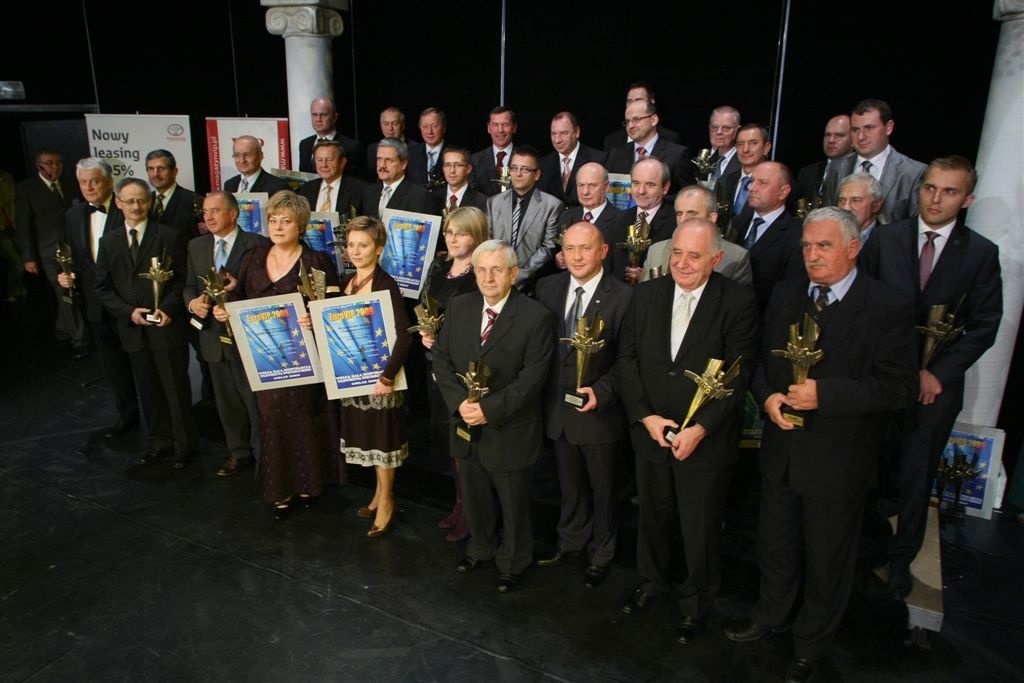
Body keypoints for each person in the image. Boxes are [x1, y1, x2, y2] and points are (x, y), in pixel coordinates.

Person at [725, 207, 918, 683]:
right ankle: (770, 614)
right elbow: (761, 361)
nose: (812, 255)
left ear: (854, 248)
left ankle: (810, 643)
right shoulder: (788, 293)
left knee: (828, 558)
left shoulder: (887, 305)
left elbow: (898, 387)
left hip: (838, 459)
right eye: (807, 246)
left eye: (824, 246)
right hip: (782, 448)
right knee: (775, 542)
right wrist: (767, 397)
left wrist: (825, 396)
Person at [859, 155, 1002, 599]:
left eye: (949, 191)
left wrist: (938, 373)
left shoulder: (980, 253)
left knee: (917, 476)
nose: (936, 199)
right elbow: (863, 304)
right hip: (883, 381)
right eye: (930, 188)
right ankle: (864, 545)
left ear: (967, 199)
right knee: (868, 466)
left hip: (934, 391)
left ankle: (901, 559)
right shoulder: (886, 238)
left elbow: (985, 326)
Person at [617, 217, 758, 644]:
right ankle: (652, 581)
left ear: (716, 258)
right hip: (652, 433)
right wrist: (645, 417)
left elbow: (738, 376)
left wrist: (701, 428)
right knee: (653, 516)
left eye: (694, 256)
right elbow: (627, 360)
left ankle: (695, 604)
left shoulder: (738, 302)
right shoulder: (647, 294)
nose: (681, 262)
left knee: (700, 527)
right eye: (676, 252)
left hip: (704, 442)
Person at [432, 240, 555, 593]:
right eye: (481, 270)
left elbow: (532, 379)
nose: (487, 278)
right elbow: (441, 358)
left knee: (513, 502)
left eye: (496, 270)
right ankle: (480, 547)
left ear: (513, 274)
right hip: (465, 423)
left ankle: (514, 561)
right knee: (475, 496)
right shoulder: (459, 306)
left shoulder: (535, 317)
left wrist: (487, 409)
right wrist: (460, 404)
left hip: (509, 427)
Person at [213, 191, 339, 519]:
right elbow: (238, 296)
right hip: (263, 358)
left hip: (303, 359)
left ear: (301, 225)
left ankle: (308, 484)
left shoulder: (316, 261)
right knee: (270, 418)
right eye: (273, 220)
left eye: (286, 221)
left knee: (302, 416)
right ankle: (279, 488)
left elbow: (333, 307)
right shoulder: (253, 256)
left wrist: (315, 317)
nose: (278, 227)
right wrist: (225, 310)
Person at [533, 221, 632, 589]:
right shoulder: (547, 287)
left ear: (603, 251)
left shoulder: (624, 296)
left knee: (604, 489)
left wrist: (602, 392)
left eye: (585, 248)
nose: (576, 256)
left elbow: (629, 359)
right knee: (569, 484)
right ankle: (571, 542)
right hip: (558, 409)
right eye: (569, 248)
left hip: (599, 413)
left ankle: (602, 553)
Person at [93, 178, 198, 467]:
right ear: (118, 203)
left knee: (175, 390)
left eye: (141, 200)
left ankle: (184, 445)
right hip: (133, 330)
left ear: (150, 202)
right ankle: (159, 442)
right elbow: (102, 287)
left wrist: (168, 308)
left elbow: (183, 280)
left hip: (167, 328)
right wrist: (128, 312)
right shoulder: (109, 241)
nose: (136, 206)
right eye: (130, 201)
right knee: (149, 391)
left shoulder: (169, 236)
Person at [338, 216, 413, 538]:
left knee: (383, 443)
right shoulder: (347, 281)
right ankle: (378, 494)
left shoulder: (386, 284)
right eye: (351, 244)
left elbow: (404, 335)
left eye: (363, 245)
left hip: (380, 378)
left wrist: (386, 377)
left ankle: (387, 502)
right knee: (369, 439)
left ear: (378, 249)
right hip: (355, 376)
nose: (355, 251)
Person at [184, 191, 268, 476]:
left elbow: (264, 292)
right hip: (211, 336)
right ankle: (238, 452)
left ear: (233, 213)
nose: (208, 217)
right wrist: (192, 303)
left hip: (246, 337)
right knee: (226, 400)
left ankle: (264, 455)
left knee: (253, 400)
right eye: (205, 212)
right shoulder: (196, 245)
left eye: (215, 211)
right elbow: (188, 287)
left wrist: (236, 299)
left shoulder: (257, 244)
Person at [416, 206, 488, 542]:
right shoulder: (439, 268)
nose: (453, 238)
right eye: (449, 232)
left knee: (467, 445)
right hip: (437, 366)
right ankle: (460, 504)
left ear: (477, 235)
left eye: (461, 233)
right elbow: (426, 307)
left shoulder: (480, 274)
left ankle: (473, 513)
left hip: (464, 370)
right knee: (450, 444)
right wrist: (425, 333)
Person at [58, 158, 139, 437]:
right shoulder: (73, 215)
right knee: (113, 365)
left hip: (129, 304)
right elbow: (75, 258)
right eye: (83, 182)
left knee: (142, 365)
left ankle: (159, 420)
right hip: (95, 305)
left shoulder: (126, 209)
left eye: (94, 181)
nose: (89, 187)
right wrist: (67, 276)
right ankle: (127, 414)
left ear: (108, 182)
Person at [15, 149, 85, 354]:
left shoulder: (71, 185)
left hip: (76, 247)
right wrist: (28, 257)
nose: (55, 167)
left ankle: (62, 330)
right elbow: (23, 225)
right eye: (50, 163)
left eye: (58, 162)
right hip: (49, 252)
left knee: (73, 290)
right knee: (64, 292)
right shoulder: (27, 188)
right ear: (39, 166)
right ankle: (80, 338)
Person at [824, 98, 926, 223]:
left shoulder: (913, 173)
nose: (861, 136)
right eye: (855, 129)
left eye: (869, 128)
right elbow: (829, 217)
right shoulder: (836, 168)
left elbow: (915, 225)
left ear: (888, 127)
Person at [485, 145, 564, 291]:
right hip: (495, 279)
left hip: (531, 285)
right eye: (514, 168)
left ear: (537, 174)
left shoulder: (552, 205)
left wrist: (517, 276)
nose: (518, 174)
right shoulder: (493, 202)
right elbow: (488, 241)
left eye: (525, 169)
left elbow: (548, 248)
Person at [641, 185, 752, 286]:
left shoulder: (736, 258)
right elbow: (644, 296)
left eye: (692, 213)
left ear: (712, 218)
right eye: (679, 213)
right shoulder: (655, 251)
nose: (683, 220)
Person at [737, 161, 805, 312]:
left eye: (762, 183)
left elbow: (790, 291)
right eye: (752, 181)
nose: (751, 187)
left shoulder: (797, 235)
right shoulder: (737, 222)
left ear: (783, 192)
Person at [607, 158, 676, 284]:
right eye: (636, 183)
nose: (641, 191)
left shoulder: (676, 222)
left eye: (650, 185)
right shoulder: (619, 218)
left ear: (665, 187)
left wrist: (646, 276)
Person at [606, 100, 694, 193]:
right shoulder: (616, 154)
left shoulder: (676, 155)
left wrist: (656, 198)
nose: (630, 126)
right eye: (627, 121)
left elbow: (689, 194)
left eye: (636, 119)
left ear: (653, 120)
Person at [553, 162, 623, 270]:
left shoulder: (621, 220)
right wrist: (558, 260)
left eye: (592, 185)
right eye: (581, 185)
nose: (585, 192)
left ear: (606, 187)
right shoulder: (566, 217)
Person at [538, 111, 607, 207]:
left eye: (564, 133)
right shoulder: (543, 164)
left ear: (577, 132)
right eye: (553, 134)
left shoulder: (599, 159)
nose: (557, 140)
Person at [717, 123, 772, 242]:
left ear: (766, 148)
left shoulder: (776, 184)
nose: (745, 149)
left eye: (753, 143)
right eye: (740, 144)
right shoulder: (725, 181)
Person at [362, 137, 438, 219]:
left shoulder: (419, 196)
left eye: (389, 160)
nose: (382, 165)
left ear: (404, 164)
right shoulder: (369, 192)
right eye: (379, 159)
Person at [792, 115, 853, 210]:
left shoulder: (860, 170)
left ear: (853, 141)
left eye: (839, 135)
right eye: (827, 135)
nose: (831, 140)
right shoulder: (808, 172)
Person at [601, 82, 681, 153]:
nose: (633, 104)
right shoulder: (612, 140)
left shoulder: (670, 138)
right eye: (629, 101)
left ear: (651, 102)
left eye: (638, 100)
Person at [297, 139, 367, 217]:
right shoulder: (305, 190)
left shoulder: (361, 190)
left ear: (342, 162)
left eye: (329, 160)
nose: (324, 165)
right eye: (319, 160)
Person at [297, 96, 363, 177]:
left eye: (323, 115)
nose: (318, 119)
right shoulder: (304, 144)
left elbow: (356, 181)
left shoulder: (352, 147)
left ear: (335, 117)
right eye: (314, 115)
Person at [145, 149, 201, 241]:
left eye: (161, 168)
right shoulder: (145, 200)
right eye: (151, 169)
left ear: (175, 172)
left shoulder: (192, 200)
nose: (155, 174)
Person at [469, 107, 518, 197]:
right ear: (488, 128)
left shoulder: (525, 159)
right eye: (495, 125)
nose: (500, 130)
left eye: (505, 124)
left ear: (514, 127)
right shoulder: (474, 160)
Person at [223, 135, 290, 195]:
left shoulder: (278, 187)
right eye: (237, 155)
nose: (242, 160)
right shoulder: (229, 185)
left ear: (260, 156)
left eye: (247, 155)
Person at [365, 107, 421, 177]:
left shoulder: (416, 149)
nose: (390, 128)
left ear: (403, 126)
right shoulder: (372, 149)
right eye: (386, 123)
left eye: (395, 123)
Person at [437, 146, 488, 212]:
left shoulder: (482, 202)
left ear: (468, 169)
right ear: (443, 168)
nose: (452, 171)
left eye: (458, 165)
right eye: (447, 165)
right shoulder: (431, 198)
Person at [836, 172, 884, 243]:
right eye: (841, 200)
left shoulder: (887, 241)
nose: (846, 207)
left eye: (856, 200)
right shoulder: (828, 234)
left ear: (876, 205)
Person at [406, 107, 447, 188]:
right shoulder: (410, 154)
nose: (429, 131)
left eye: (435, 126)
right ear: (420, 128)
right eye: (425, 126)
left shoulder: (456, 154)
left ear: (444, 128)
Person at [706, 106, 742, 187]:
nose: (719, 132)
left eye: (726, 128)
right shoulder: (694, 162)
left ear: (737, 130)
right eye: (714, 127)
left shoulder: (744, 164)